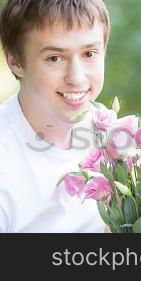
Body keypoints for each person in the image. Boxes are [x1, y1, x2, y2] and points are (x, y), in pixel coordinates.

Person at [0, 0, 110, 232]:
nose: (77, 78)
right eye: (55, 58)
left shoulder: (119, 138)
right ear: (15, 61)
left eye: (89, 53)